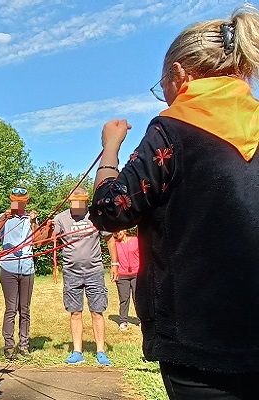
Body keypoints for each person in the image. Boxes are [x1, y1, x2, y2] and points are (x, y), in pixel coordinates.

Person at [90, 5, 259, 397]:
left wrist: (109, 151)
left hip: (195, 335)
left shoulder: (171, 128)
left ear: (180, 74)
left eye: (162, 84)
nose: (163, 95)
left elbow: (111, 210)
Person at [53, 187, 117, 366]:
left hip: (94, 271)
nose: (77, 206)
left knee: (97, 311)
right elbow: (50, 237)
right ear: (69, 202)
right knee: (75, 312)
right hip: (71, 272)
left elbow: (109, 239)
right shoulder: (61, 219)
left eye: (80, 203)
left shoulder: (95, 216)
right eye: (74, 202)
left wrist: (114, 264)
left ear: (86, 202)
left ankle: (101, 352)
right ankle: (77, 352)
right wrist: (45, 228)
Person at [0, 187, 52, 360]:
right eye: (15, 200)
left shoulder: (30, 219)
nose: (18, 204)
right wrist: (5, 216)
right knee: (11, 309)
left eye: (22, 201)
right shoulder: (4, 217)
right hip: (8, 269)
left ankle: (24, 345)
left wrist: (38, 224)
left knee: (24, 310)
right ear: (11, 201)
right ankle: (9, 346)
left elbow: (39, 242)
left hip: (27, 268)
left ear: (26, 202)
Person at [111, 230, 139, 331]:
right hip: (122, 275)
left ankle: (141, 319)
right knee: (124, 299)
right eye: (115, 232)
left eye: (119, 230)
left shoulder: (136, 240)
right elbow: (113, 260)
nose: (117, 233)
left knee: (138, 298)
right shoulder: (114, 244)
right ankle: (123, 321)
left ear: (125, 230)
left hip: (137, 274)